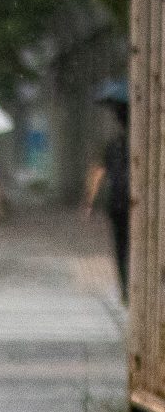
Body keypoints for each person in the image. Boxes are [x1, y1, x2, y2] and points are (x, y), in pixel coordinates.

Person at [83, 90, 131, 299]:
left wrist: (89, 203)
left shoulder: (113, 145)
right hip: (142, 205)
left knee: (122, 246)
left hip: (119, 202)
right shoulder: (151, 145)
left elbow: (97, 173)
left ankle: (126, 289)